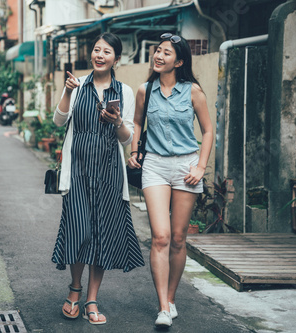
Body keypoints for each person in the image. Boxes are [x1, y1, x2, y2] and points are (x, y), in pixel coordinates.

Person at [51, 32, 145, 325]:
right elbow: (58, 121)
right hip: (77, 171)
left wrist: (116, 122)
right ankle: (74, 291)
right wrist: (67, 92)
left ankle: (91, 299)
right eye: (96, 50)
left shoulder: (125, 92)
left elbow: (128, 136)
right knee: (80, 231)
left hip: (108, 173)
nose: (99, 55)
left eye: (106, 51)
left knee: (102, 234)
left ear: (116, 58)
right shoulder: (77, 85)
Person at [127, 32, 214, 328]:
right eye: (157, 51)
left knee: (178, 238)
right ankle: (163, 307)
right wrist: (135, 149)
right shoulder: (145, 90)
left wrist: (201, 167)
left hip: (187, 166)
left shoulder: (193, 92)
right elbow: (138, 121)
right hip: (155, 166)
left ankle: (172, 298)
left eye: (166, 53)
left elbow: (207, 131)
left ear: (178, 61)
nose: (159, 56)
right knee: (161, 236)